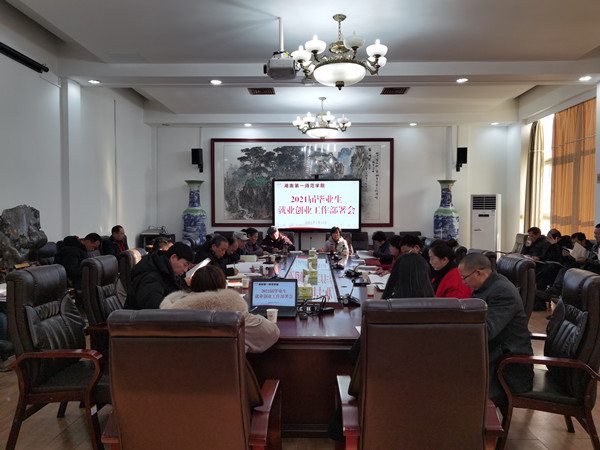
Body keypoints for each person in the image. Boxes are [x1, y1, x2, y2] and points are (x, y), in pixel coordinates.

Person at [329, 252, 435, 442]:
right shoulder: (444, 315)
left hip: (380, 403)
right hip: (431, 403)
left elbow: (354, 357)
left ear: (394, 277)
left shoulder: (383, 313)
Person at [458, 253, 534, 408]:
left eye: (464, 278)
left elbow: (487, 331)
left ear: (478, 273)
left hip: (507, 366)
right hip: (493, 355)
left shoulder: (502, 292)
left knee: (450, 369)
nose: (463, 282)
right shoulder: (486, 286)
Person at [160, 265, 280, 353]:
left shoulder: (170, 315)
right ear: (223, 286)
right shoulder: (235, 318)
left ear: (192, 287)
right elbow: (271, 333)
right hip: (227, 379)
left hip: (179, 378)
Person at [125, 242, 194, 310]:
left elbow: (170, 286)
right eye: (185, 265)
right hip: (139, 316)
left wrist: (184, 283)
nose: (185, 270)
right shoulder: (150, 275)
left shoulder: (166, 269)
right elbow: (156, 306)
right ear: (173, 258)